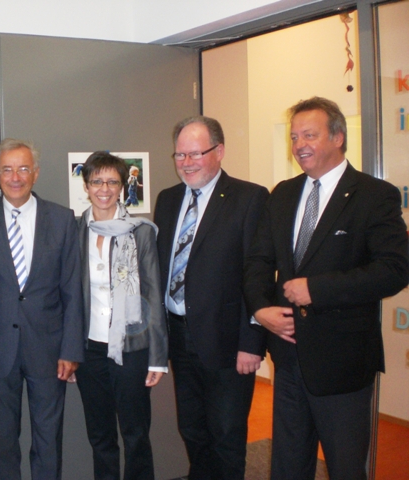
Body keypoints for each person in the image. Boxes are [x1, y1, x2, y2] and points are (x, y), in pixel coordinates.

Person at [244, 96, 409, 480]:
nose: (299, 144)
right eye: (294, 136)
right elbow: (258, 261)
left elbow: (394, 270)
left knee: (345, 467)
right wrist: (260, 308)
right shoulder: (282, 193)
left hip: (343, 363)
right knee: (288, 466)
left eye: (309, 135)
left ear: (337, 137)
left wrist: (317, 290)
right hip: (288, 357)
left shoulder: (374, 195)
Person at [154, 116, 268, 479]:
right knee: (192, 429)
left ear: (219, 151)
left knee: (226, 434)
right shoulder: (168, 199)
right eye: (180, 155)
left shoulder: (250, 198)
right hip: (178, 335)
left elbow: (258, 274)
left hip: (228, 342)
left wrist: (252, 342)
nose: (186, 163)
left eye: (195, 154)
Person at [0, 138, 84, 480]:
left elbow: (72, 289)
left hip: (49, 348)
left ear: (36, 173)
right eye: (7, 169)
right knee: (1, 440)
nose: (15, 177)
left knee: (48, 440)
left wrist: (71, 349)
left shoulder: (62, 218)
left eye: (23, 169)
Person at [75, 151, 167, 480]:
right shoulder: (75, 230)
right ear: (86, 186)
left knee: (136, 434)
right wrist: (69, 352)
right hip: (89, 350)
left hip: (132, 348)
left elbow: (153, 293)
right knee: (100, 435)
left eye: (112, 181)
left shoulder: (140, 231)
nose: (104, 189)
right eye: (96, 181)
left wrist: (157, 358)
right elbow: (67, 295)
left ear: (122, 187)